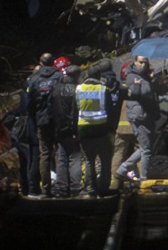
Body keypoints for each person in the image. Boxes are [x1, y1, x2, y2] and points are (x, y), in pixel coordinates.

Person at [76, 60, 121, 197]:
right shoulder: (103, 89)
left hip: (84, 129)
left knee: (89, 160)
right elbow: (109, 108)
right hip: (101, 129)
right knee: (105, 159)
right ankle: (104, 187)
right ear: (98, 75)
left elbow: (75, 109)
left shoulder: (78, 89)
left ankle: (90, 187)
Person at [116, 54, 159, 186]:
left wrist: (150, 79)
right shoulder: (132, 76)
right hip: (139, 115)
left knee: (145, 148)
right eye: (141, 62)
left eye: (145, 62)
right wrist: (148, 83)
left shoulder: (142, 76)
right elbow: (143, 93)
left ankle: (123, 169)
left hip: (143, 114)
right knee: (146, 149)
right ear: (134, 62)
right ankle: (144, 179)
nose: (143, 65)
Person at [24, 53, 61, 196]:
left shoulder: (33, 79)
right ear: (53, 62)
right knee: (60, 152)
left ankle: (46, 188)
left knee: (44, 154)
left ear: (40, 62)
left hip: (41, 120)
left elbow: (29, 103)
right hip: (57, 120)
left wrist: (34, 118)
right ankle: (62, 186)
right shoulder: (59, 77)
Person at [51, 64, 83, 197]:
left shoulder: (55, 88)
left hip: (59, 129)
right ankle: (76, 187)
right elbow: (74, 112)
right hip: (71, 130)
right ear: (76, 76)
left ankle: (61, 187)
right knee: (75, 158)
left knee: (62, 158)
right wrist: (75, 130)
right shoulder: (75, 90)